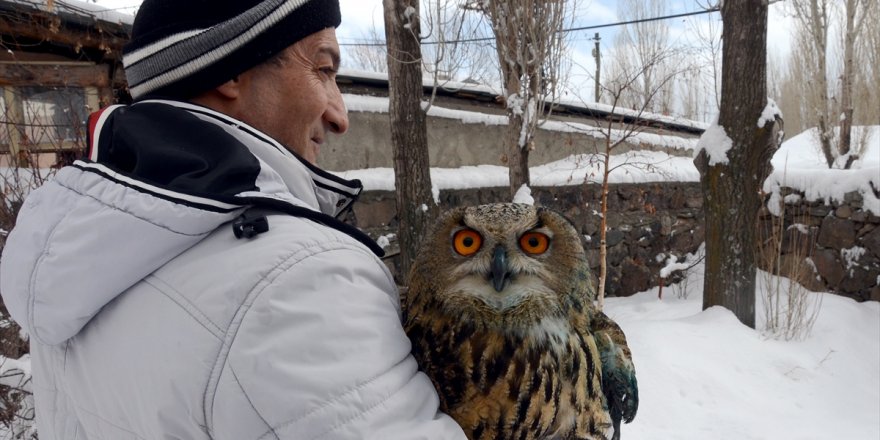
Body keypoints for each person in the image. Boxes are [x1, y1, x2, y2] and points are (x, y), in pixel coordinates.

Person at [0, 0, 466, 438]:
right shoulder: (298, 279)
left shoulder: (76, 247)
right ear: (231, 71)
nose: (339, 114)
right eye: (323, 69)